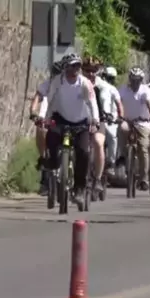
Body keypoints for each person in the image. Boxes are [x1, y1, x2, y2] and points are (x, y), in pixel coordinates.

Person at [39, 53, 100, 206]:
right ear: (66, 67)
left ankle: (79, 189)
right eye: (73, 65)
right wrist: (43, 117)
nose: (76, 69)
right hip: (61, 119)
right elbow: (48, 99)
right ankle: (52, 169)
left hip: (81, 123)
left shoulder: (85, 83)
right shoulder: (57, 81)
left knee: (83, 152)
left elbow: (92, 102)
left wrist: (95, 121)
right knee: (51, 140)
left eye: (78, 65)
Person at [81, 56, 124, 192]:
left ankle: (98, 178)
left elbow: (112, 104)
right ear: (82, 71)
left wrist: (111, 116)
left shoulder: (106, 87)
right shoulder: (78, 84)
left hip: (100, 120)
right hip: (80, 120)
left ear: (99, 71)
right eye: (87, 70)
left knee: (99, 143)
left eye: (94, 70)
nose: (91, 74)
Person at [118, 67, 150, 191]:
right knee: (122, 129)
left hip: (143, 122)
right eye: (133, 80)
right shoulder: (123, 89)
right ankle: (123, 155)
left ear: (141, 80)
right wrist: (119, 116)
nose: (135, 82)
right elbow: (119, 103)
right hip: (127, 121)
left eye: (138, 80)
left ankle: (144, 179)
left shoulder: (145, 90)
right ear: (130, 79)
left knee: (143, 148)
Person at [29, 60, 64, 195]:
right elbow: (37, 99)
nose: (56, 77)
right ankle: (43, 160)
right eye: (54, 74)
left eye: (59, 74)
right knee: (40, 130)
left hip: (64, 119)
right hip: (48, 118)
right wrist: (33, 112)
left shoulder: (67, 87)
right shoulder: (46, 85)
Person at [100, 66, 124, 175]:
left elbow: (120, 104)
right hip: (98, 119)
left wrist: (121, 117)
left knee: (113, 137)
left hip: (111, 120)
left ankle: (111, 162)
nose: (109, 80)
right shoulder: (97, 87)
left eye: (111, 78)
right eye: (108, 77)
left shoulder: (113, 89)